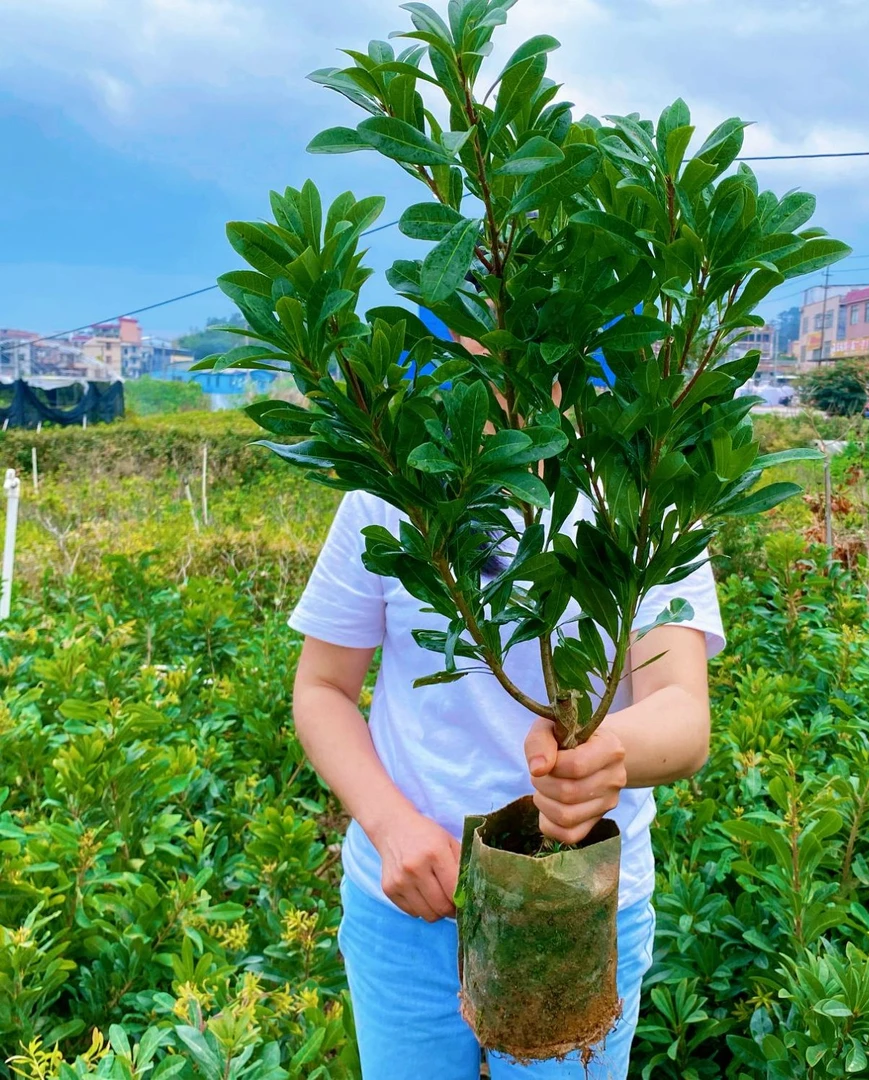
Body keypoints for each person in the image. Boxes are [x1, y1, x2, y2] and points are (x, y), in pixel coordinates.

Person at [288, 368, 725, 1079]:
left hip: (577, 907)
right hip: (408, 911)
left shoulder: (641, 494)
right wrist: (389, 825)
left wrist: (607, 756)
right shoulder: (393, 487)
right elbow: (321, 689)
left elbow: (682, 707)